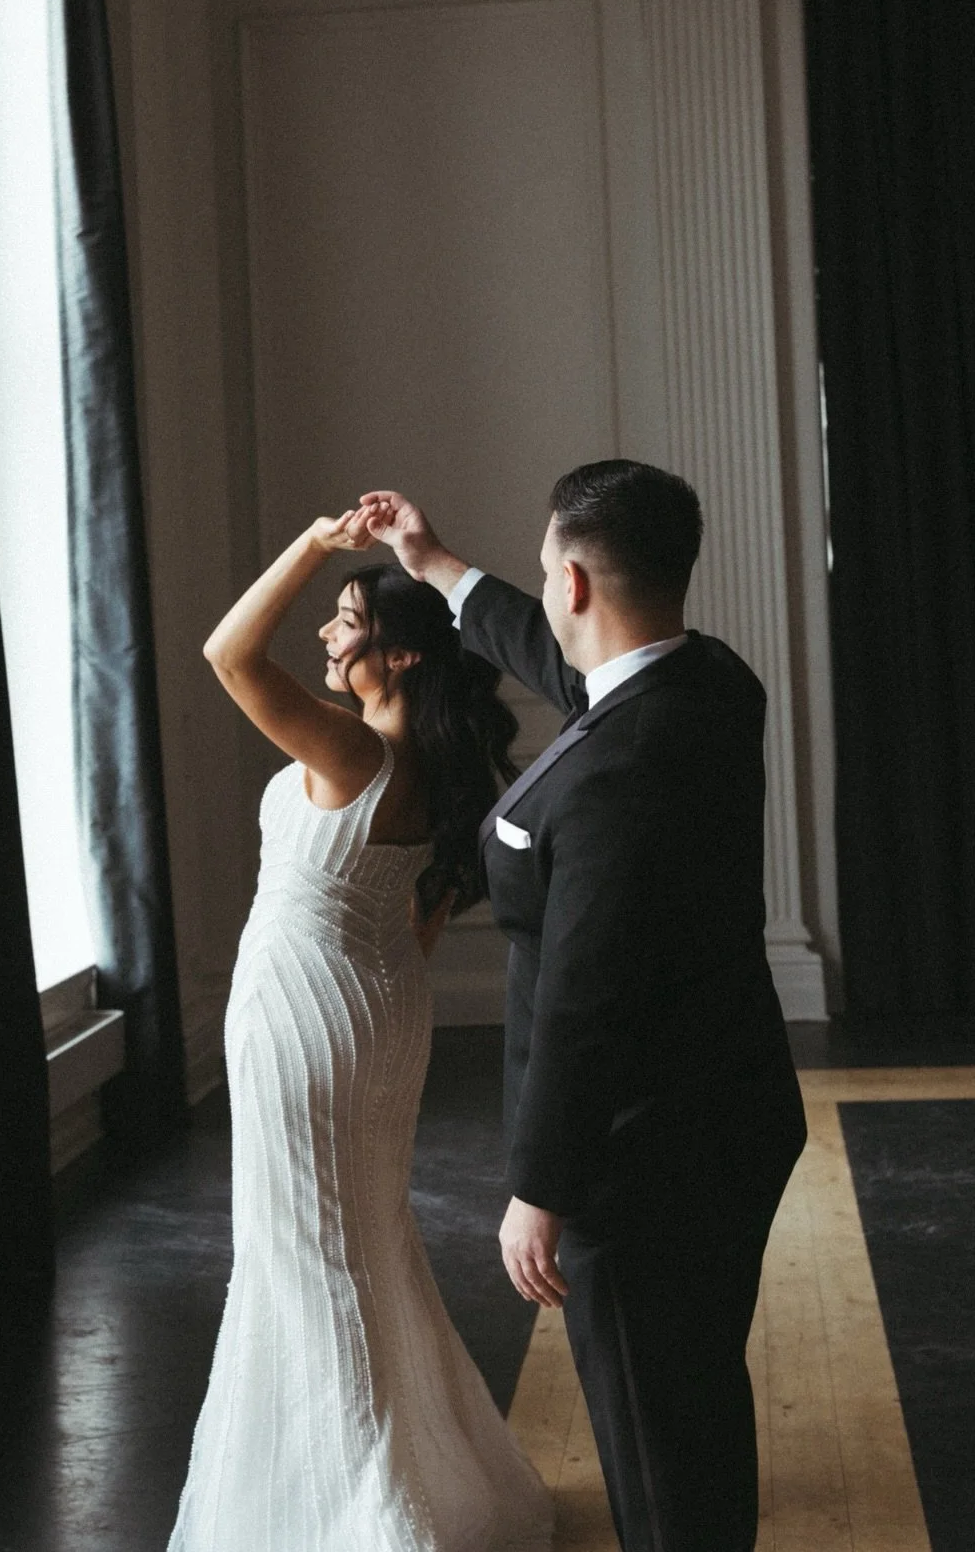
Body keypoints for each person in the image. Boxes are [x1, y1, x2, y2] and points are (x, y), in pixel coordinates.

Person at [359, 462, 808, 1552]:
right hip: (724, 1116)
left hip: (641, 1156)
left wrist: (541, 1188)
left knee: (658, 1443)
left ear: (570, 581)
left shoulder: (620, 770)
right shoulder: (705, 684)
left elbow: (584, 998)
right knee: (690, 1407)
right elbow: (574, 680)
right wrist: (439, 568)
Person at [169, 508, 554, 1552]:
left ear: (403, 652)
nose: (329, 640)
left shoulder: (349, 750)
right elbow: (409, 934)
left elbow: (225, 653)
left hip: (303, 1021)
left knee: (307, 1255)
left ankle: (370, 1511)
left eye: (347, 624)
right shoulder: (435, 768)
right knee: (367, 1240)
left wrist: (310, 545)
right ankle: (424, 1478)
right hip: (377, 1017)